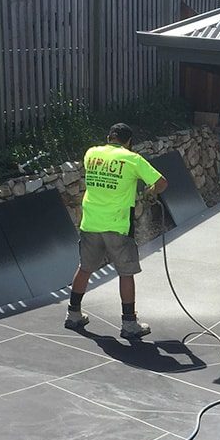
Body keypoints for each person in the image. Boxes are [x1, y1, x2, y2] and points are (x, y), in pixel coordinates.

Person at [66, 123, 168, 338]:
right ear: (129, 142)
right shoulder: (133, 159)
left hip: (91, 222)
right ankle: (129, 324)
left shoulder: (91, 153)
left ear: (108, 137)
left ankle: (73, 314)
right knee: (126, 273)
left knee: (85, 268)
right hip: (118, 225)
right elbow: (161, 183)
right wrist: (149, 192)